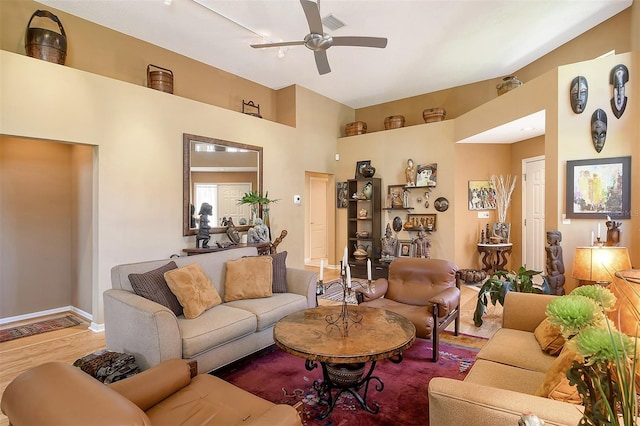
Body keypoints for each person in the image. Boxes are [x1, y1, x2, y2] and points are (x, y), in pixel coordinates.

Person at [545, 230, 565, 296]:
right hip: (552, 270)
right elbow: (549, 259)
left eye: (550, 238)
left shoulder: (559, 248)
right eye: (547, 238)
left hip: (559, 267)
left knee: (554, 261)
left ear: (556, 239)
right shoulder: (550, 247)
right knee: (549, 261)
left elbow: (555, 258)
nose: (548, 240)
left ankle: (555, 271)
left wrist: (551, 252)